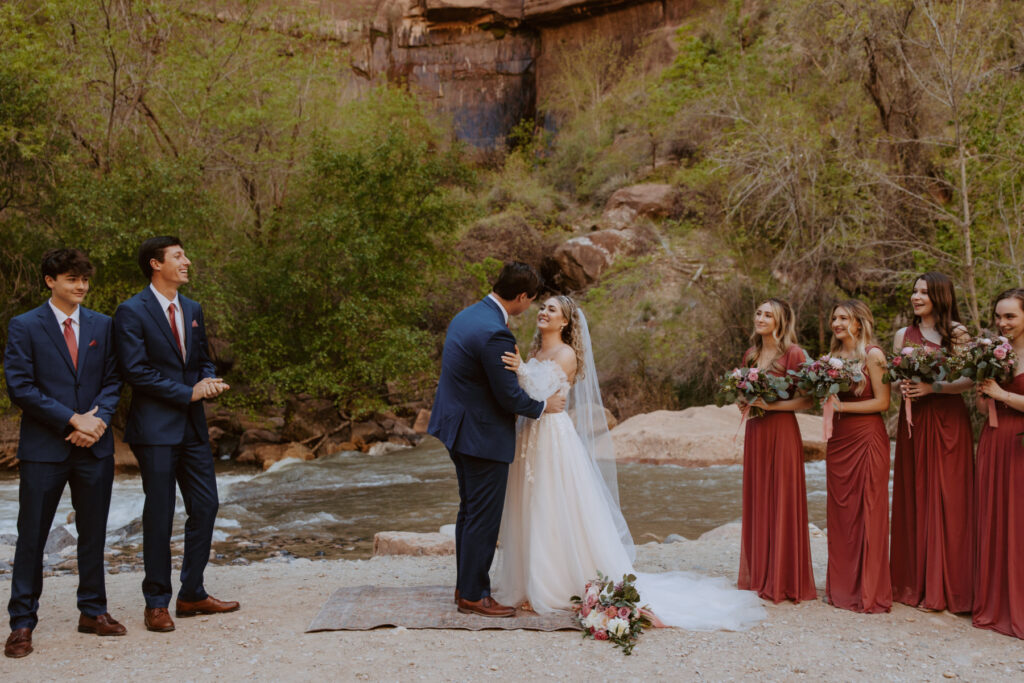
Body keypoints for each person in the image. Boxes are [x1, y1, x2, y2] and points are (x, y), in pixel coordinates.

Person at [494, 295, 765, 630]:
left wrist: (521, 369)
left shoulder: (565, 355)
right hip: (530, 435)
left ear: (565, 321)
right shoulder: (535, 352)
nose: (544, 312)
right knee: (530, 503)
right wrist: (523, 369)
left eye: (552, 309)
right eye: (543, 307)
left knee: (552, 503)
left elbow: (543, 393)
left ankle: (554, 583)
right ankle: (526, 581)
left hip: (553, 437)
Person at [428, 262, 566, 618]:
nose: (530, 307)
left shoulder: (468, 315)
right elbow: (509, 398)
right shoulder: (495, 333)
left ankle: (466, 586)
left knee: (470, 510)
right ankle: (474, 595)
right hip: (480, 434)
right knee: (483, 516)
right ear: (520, 297)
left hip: (456, 427)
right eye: (530, 300)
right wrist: (543, 405)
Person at [4, 249, 124, 658]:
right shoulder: (24, 326)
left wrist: (98, 421)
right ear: (49, 281)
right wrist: (73, 420)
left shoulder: (103, 325)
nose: (82, 287)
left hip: (95, 445)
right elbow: (20, 386)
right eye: (73, 279)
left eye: (85, 280)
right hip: (43, 448)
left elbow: (113, 380)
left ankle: (93, 611)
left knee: (93, 533)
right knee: (32, 536)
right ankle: (22, 623)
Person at [113, 237, 235, 633]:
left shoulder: (193, 308)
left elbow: (202, 359)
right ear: (155, 264)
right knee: (160, 514)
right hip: (154, 430)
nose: (187, 261)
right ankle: (155, 603)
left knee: (206, 506)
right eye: (178, 256)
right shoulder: (131, 311)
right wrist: (188, 392)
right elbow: (136, 371)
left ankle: (192, 593)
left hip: (193, 429)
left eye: (185, 254)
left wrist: (207, 379)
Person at [890, 272, 974, 613]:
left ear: (940, 296)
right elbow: (896, 374)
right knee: (915, 493)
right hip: (914, 422)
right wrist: (902, 385)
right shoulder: (901, 335)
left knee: (947, 496)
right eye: (914, 291)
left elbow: (969, 378)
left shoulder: (956, 332)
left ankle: (948, 586)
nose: (916, 296)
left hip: (947, 420)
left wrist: (933, 388)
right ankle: (914, 582)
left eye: (924, 291)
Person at [737, 299, 817, 603]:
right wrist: (743, 401)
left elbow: (808, 401)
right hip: (756, 431)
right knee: (759, 496)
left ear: (781, 321)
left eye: (768, 314)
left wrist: (772, 405)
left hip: (782, 431)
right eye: (758, 312)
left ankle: (784, 579)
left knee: (782, 496)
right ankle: (759, 575)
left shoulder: (795, 354)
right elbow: (747, 394)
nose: (760, 318)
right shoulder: (751, 354)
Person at [822, 300, 892, 613]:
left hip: (867, 437)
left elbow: (883, 402)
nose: (837, 323)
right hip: (839, 440)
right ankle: (841, 588)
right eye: (834, 318)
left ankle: (869, 591)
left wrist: (843, 408)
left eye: (843, 318)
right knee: (842, 513)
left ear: (859, 323)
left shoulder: (873, 355)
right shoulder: (831, 358)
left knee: (868, 509)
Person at [973, 288, 1024, 638]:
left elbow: (1003, 397)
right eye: (999, 316)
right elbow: (981, 408)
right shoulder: (994, 352)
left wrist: (1002, 394)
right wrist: (984, 394)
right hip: (993, 439)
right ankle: (995, 602)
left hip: (1020, 440)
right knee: (994, 516)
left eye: (1011, 316)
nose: (1002, 323)